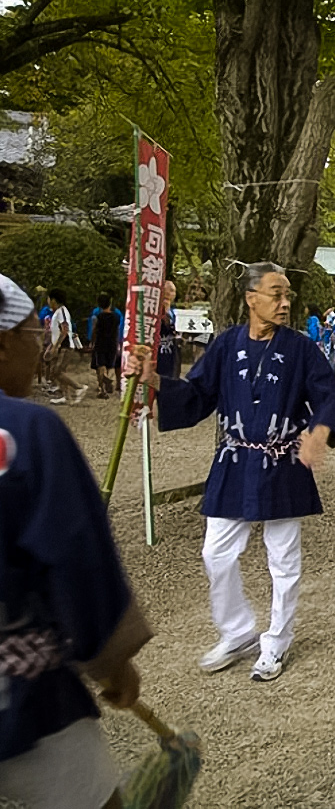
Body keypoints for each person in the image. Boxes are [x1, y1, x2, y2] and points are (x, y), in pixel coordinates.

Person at [134, 261, 335, 682]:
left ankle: (276, 642)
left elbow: (329, 395)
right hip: (234, 462)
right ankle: (237, 632)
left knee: (282, 558)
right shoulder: (226, 345)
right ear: (252, 298)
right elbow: (198, 393)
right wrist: (154, 379)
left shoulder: (302, 349)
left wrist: (320, 431)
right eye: (276, 294)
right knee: (215, 553)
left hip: (282, 459)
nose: (285, 303)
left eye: (288, 295)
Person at [0, 274, 153, 809]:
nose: (38, 349)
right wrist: (111, 659)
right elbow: (74, 555)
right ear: (1, 342)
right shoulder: (26, 433)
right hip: (21, 689)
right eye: (31, 336)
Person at [44, 288, 87, 404]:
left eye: (48, 298)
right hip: (61, 346)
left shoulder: (62, 311)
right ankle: (66, 397)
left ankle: (79, 388)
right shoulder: (57, 312)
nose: (47, 301)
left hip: (66, 346)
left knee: (57, 372)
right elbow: (56, 332)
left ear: (53, 300)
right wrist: (51, 347)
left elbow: (65, 330)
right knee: (56, 371)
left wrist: (55, 347)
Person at [90, 293, 121, 399]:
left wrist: (92, 341)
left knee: (100, 365)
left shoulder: (98, 317)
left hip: (100, 343)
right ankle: (107, 378)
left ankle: (102, 389)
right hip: (112, 343)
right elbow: (117, 331)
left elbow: (94, 330)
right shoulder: (116, 317)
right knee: (108, 365)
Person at [157, 280, 181, 379]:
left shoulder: (175, 312)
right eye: (165, 290)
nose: (168, 293)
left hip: (173, 352)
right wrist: (165, 313)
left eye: (172, 291)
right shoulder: (155, 312)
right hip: (160, 351)